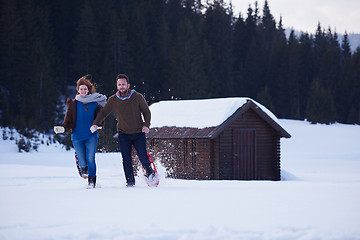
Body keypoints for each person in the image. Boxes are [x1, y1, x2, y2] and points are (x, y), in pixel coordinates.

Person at [91, 74, 154, 187]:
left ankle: (150, 173)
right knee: (126, 159)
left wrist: (146, 125)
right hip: (123, 133)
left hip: (138, 132)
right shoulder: (113, 100)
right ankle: (130, 182)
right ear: (117, 86)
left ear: (128, 85)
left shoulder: (137, 97)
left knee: (142, 155)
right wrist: (95, 123)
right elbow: (104, 113)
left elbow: (146, 112)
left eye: (123, 84)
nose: (121, 86)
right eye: (119, 84)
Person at [54, 74, 107, 188]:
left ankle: (92, 182)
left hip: (91, 136)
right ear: (78, 90)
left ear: (89, 90)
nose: (83, 91)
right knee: (83, 161)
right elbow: (68, 121)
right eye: (81, 89)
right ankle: (81, 164)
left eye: (85, 89)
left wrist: (97, 126)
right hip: (77, 136)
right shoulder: (73, 104)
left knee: (91, 158)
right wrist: (62, 128)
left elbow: (101, 120)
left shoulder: (95, 103)